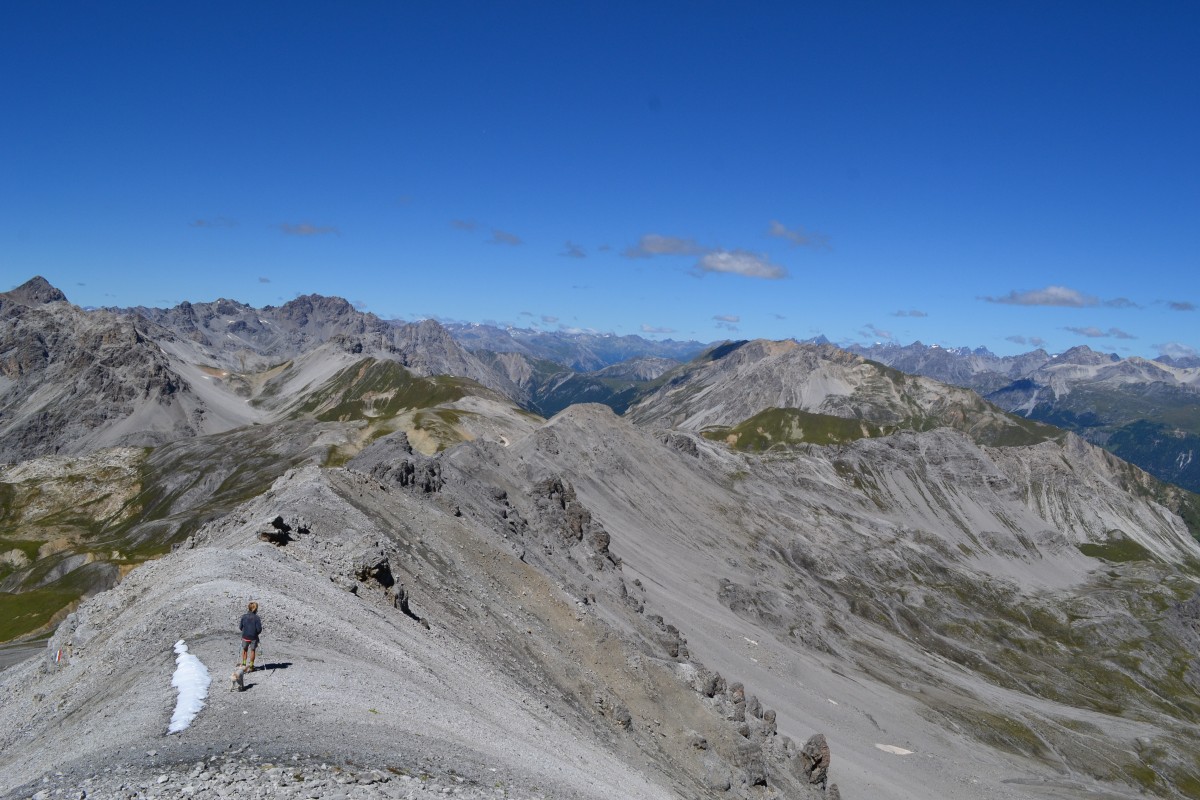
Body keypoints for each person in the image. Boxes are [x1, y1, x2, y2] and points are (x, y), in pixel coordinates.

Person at [238, 601, 263, 671]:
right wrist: (256, 633)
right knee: (253, 650)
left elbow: (240, 627)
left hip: (245, 636)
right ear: (256, 609)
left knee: (245, 650)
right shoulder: (257, 618)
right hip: (253, 637)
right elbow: (259, 629)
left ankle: (243, 664)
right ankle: (251, 666)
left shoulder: (244, 616)